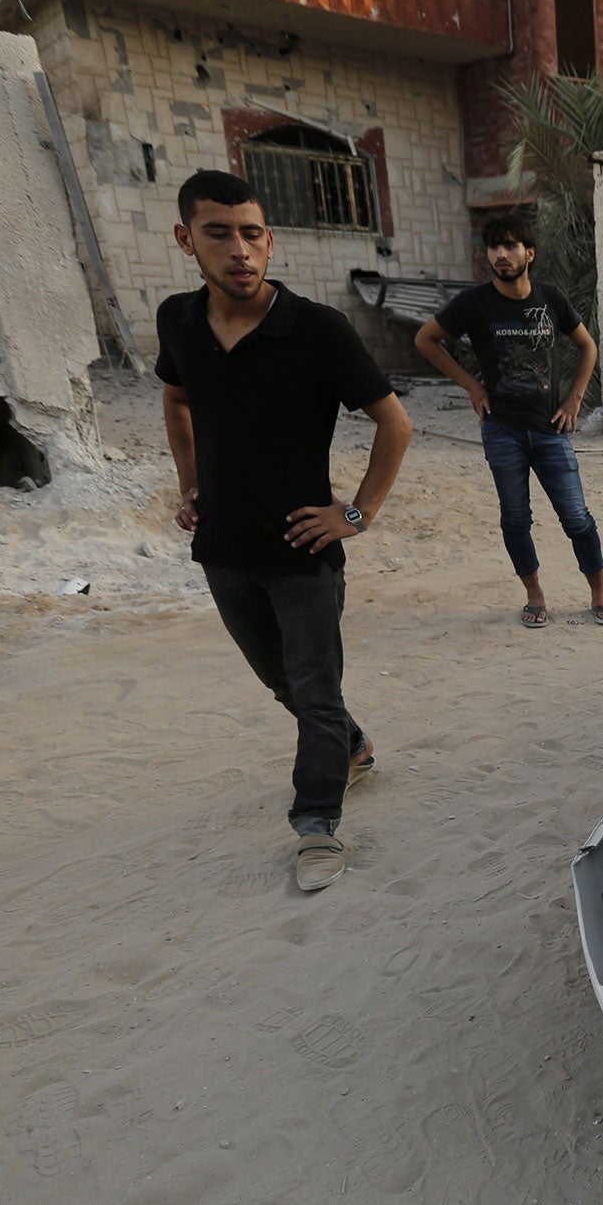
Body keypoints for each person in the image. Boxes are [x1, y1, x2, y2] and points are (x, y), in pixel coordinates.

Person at [158, 169, 413, 892]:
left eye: (252, 234)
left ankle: (316, 826)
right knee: (285, 686)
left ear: (269, 242)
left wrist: (355, 514)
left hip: (305, 552)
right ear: (187, 240)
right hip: (222, 549)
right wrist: (189, 483)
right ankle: (354, 748)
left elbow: (395, 423)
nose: (239, 250)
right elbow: (176, 400)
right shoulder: (177, 320)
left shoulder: (316, 330)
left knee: (315, 688)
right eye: (219, 234)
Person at [414, 213, 603, 629]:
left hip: (550, 430)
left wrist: (575, 398)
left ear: (530, 253)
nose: (501, 254)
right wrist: (471, 386)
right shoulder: (475, 303)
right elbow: (425, 339)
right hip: (501, 430)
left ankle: (599, 593)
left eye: (510, 246)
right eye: (494, 247)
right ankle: (535, 595)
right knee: (515, 518)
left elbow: (587, 346)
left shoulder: (550, 298)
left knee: (576, 517)